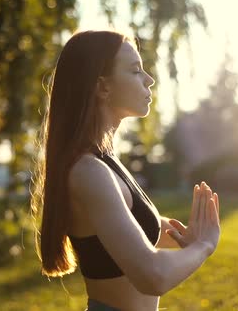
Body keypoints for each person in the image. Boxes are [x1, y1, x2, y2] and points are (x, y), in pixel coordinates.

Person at [31, 29, 221, 311]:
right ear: (103, 87)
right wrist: (203, 246)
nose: (149, 80)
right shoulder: (89, 171)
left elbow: (128, 229)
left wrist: (179, 233)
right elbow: (152, 275)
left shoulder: (104, 160)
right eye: (135, 71)